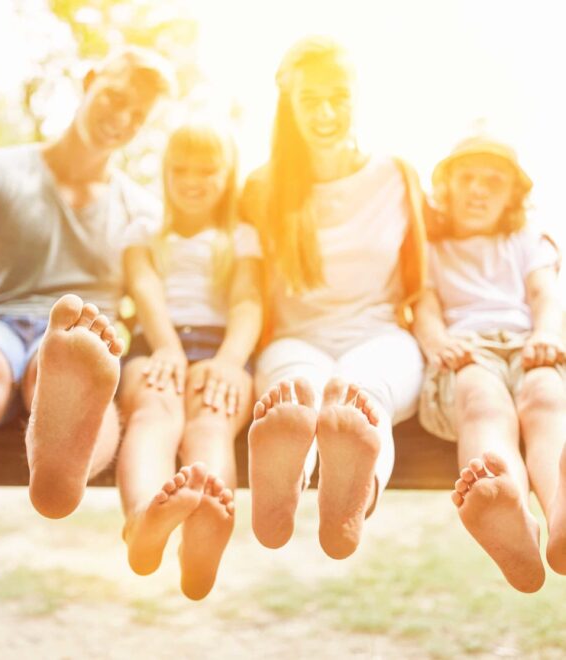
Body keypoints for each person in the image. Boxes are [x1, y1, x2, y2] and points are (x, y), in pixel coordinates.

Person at [0, 45, 173, 527]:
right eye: (115, 98)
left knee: (69, 377)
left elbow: (153, 297)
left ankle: (63, 459)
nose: (121, 119)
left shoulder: (143, 211)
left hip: (83, 338)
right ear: (89, 79)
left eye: (138, 116)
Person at [239, 36, 427, 559]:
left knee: (363, 397)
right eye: (310, 100)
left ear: (357, 96)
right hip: (296, 339)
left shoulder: (396, 176)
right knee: (296, 392)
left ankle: (352, 501)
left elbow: (429, 275)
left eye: (338, 97)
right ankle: (283, 487)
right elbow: (247, 290)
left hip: (383, 335)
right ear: (289, 105)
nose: (325, 112)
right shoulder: (260, 187)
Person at [117, 120, 262, 599]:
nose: (193, 180)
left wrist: (228, 360)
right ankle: (143, 516)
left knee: (211, 420)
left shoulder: (241, 237)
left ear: (228, 174)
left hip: (221, 347)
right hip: (157, 342)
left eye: (207, 169)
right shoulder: (144, 230)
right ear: (165, 172)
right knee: (153, 411)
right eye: (181, 169)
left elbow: (247, 303)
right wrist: (166, 347)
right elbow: (144, 288)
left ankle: (203, 531)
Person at [413, 135, 566, 592]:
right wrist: (438, 343)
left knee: (546, 396)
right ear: (446, 187)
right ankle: (509, 506)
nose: (478, 190)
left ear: (512, 197)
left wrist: (545, 335)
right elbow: (424, 306)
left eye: (493, 182)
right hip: (465, 352)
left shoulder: (524, 239)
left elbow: (544, 294)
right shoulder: (429, 248)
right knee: (482, 401)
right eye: (467, 179)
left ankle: (559, 513)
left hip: (526, 344)